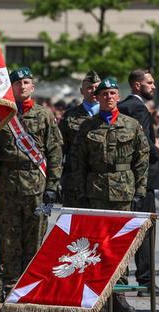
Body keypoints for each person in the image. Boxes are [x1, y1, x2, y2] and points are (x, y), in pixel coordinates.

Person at [72, 76, 150, 312]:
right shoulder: (88, 126)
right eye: (104, 94)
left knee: (121, 245)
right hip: (96, 191)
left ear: (118, 96)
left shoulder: (131, 124)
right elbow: (78, 162)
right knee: (96, 245)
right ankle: (98, 295)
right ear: (98, 97)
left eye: (113, 93)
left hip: (124, 192)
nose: (108, 97)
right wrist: (81, 193)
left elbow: (142, 159)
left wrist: (140, 190)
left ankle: (119, 296)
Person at [0, 67, 63, 300]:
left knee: (36, 239)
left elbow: (54, 153)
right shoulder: (1, 115)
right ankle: (11, 288)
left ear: (33, 87)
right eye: (18, 82)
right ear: (10, 87)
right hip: (7, 187)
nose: (22, 86)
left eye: (27, 82)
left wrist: (52, 186)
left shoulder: (44, 115)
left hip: (39, 190)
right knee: (9, 241)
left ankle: (32, 287)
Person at [118, 69, 159, 298]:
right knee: (145, 232)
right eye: (150, 82)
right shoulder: (137, 108)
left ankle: (126, 279)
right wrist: (157, 150)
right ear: (137, 85)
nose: (153, 86)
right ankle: (146, 281)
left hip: (126, 181)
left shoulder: (123, 106)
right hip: (142, 180)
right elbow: (143, 145)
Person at [58, 70, 101, 208]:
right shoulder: (70, 116)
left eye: (97, 88)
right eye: (89, 88)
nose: (93, 91)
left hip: (103, 184)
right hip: (74, 182)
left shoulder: (112, 115)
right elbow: (59, 150)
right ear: (82, 91)